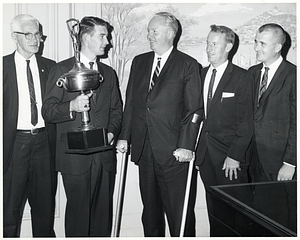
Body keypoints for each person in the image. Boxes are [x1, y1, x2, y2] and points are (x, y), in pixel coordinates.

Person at [116, 12, 203, 237]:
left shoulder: (188, 65)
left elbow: (193, 111)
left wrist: (186, 145)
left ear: (170, 33)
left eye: (154, 31)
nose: (149, 35)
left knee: (178, 216)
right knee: (150, 213)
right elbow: (132, 103)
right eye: (149, 30)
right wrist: (125, 136)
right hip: (145, 150)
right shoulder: (140, 61)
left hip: (174, 153)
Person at [42, 16, 123, 237]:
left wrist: (112, 133)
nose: (107, 42)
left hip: (104, 157)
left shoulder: (109, 74)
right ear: (86, 37)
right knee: (78, 221)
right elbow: (48, 111)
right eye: (102, 36)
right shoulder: (62, 69)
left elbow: (117, 111)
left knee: (102, 221)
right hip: (74, 159)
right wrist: (72, 106)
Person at [194, 25, 254, 236]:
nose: (209, 49)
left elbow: (246, 122)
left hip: (230, 160)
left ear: (228, 46)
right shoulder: (199, 75)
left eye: (215, 44)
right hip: (205, 157)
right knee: (215, 212)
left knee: (236, 214)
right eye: (208, 43)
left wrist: (234, 156)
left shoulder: (242, 77)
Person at [3, 14, 56, 237]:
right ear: (15, 37)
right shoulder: (2, 67)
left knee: (44, 209)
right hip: (14, 145)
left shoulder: (50, 67)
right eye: (29, 34)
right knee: (9, 211)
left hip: (45, 143)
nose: (35, 39)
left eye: (38, 34)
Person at [248, 23, 296, 182]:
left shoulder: (294, 75)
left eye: (262, 44)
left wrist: (290, 162)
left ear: (277, 47)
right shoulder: (252, 73)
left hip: (279, 161)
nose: (256, 48)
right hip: (252, 160)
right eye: (255, 41)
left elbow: (298, 123)